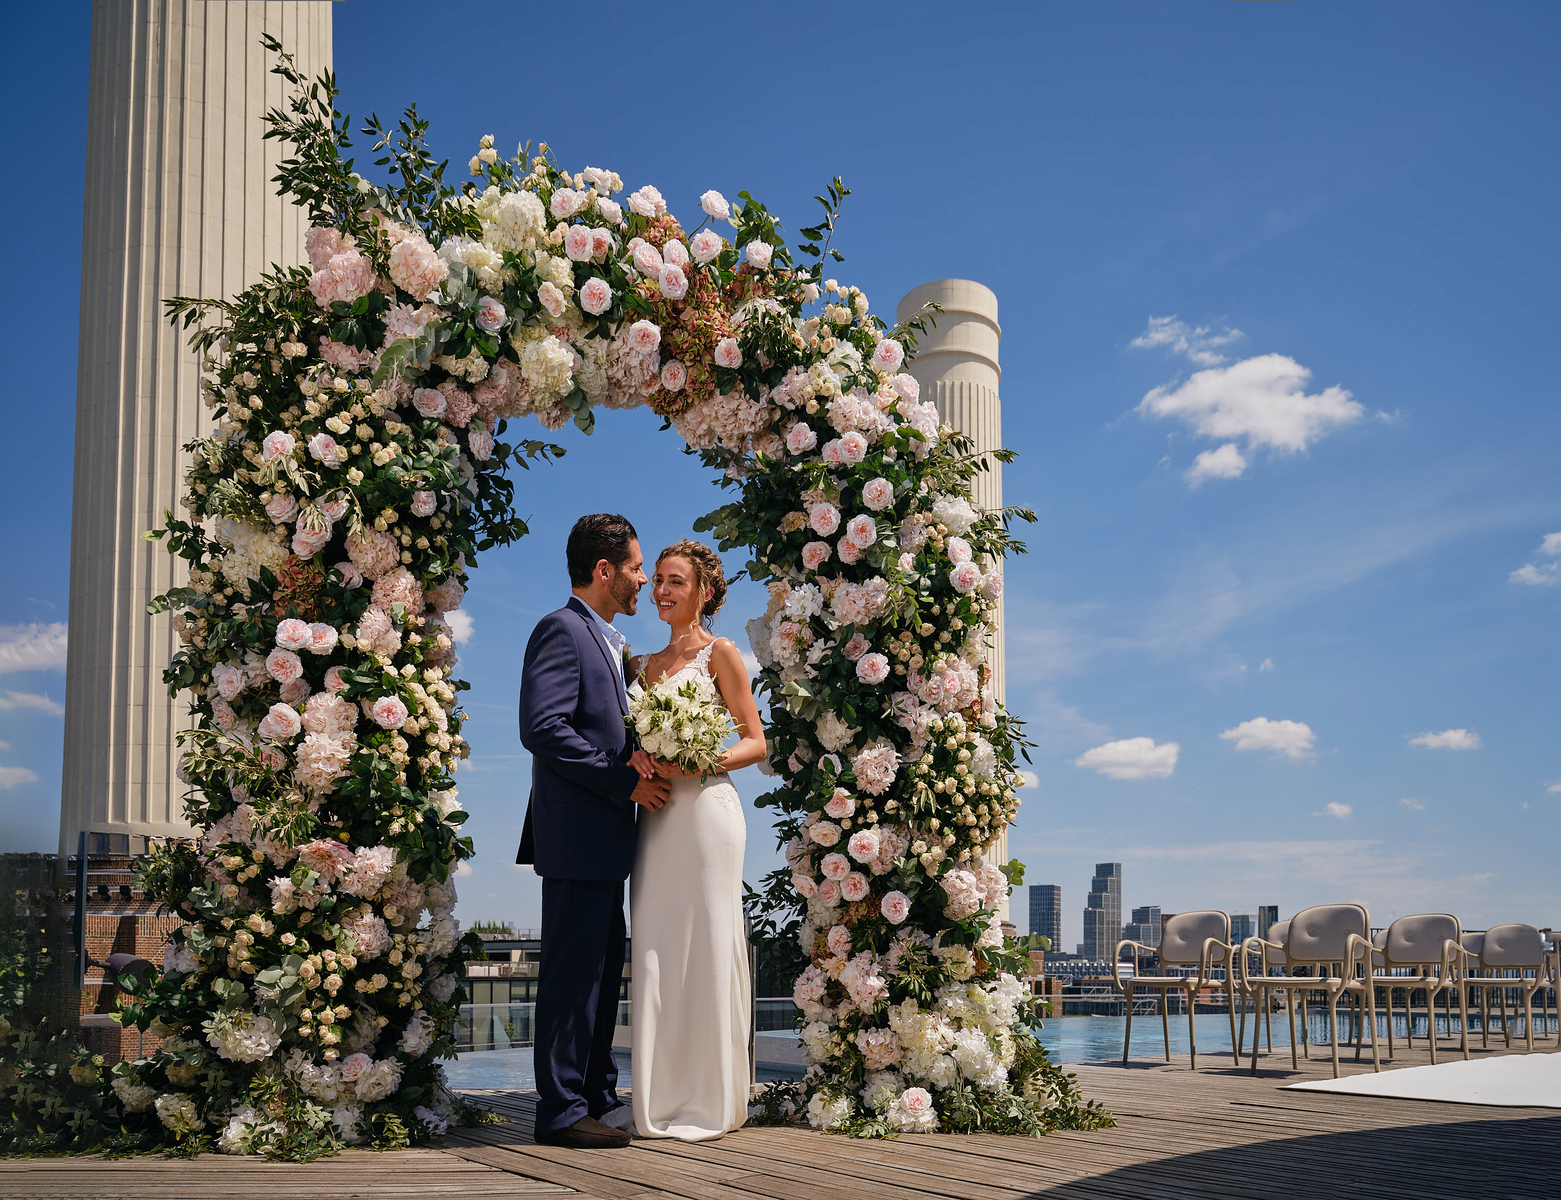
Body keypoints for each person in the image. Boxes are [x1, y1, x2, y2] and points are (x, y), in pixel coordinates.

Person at [517, 514, 669, 1149]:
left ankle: (594, 1095)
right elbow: (543, 727)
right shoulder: (561, 629)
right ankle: (559, 1113)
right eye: (636, 567)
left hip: (606, 842)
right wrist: (621, 778)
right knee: (572, 980)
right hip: (577, 837)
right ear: (603, 571)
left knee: (604, 976)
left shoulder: (609, 643)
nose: (641, 579)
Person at [618, 539, 766, 1141]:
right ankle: (660, 1097)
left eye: (674, 581)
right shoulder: (640, 665)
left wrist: (698, 762)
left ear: (704, 592)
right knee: (654, 945)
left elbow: (756, 742)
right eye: (655, 580)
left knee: (706, 940)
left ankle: (710, 1098)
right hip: (656, 818)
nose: (660, 591)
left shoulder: (721, 654)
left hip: (707, 813)